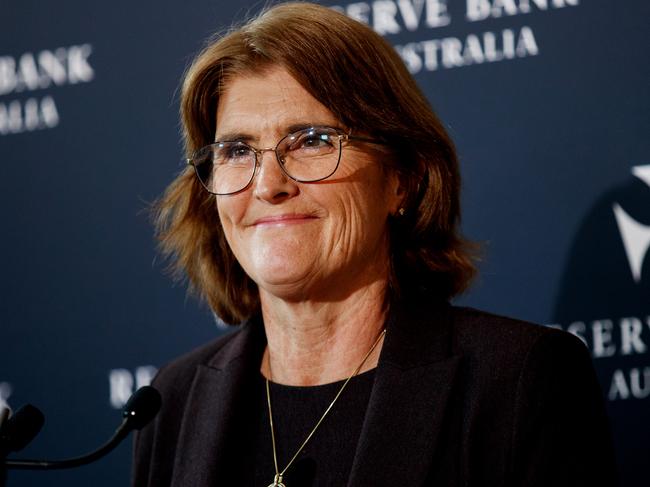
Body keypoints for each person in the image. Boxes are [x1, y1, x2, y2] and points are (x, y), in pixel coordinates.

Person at [132, 3, 617, 486]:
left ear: (402, 179)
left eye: (311, 140)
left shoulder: (517, 381)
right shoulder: (172, 401)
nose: (267, 185)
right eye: (237, 151)